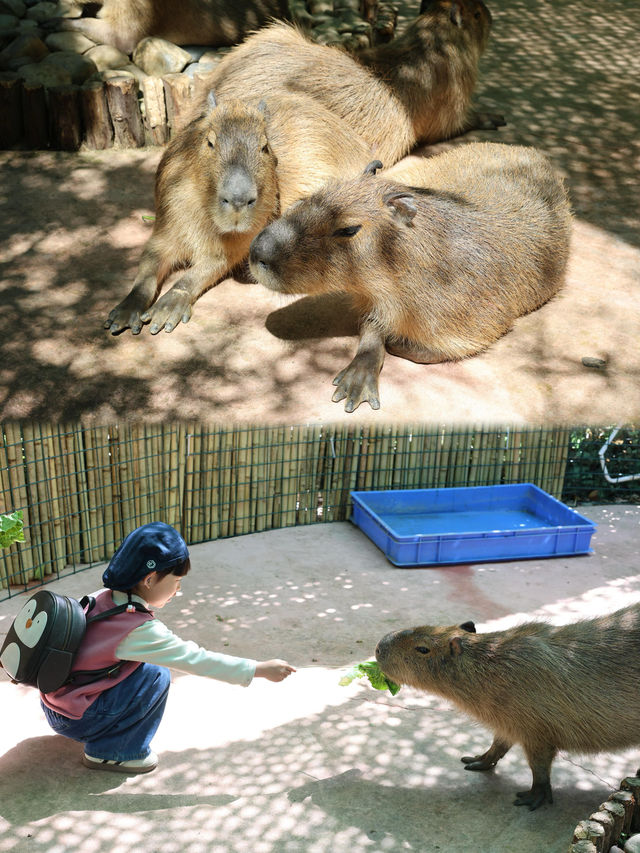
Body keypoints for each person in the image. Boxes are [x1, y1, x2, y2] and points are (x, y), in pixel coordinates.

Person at [40, 522, 295, 774]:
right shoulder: (137, 629)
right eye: (177, 581)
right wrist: (258, 669)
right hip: (79, 719)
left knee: (137, 669)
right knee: (154, 675)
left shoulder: (101, 597)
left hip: (54, 705)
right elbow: (196, 659)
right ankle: (113, 752)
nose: (178, 589)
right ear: (150, 579)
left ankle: (99, 730)